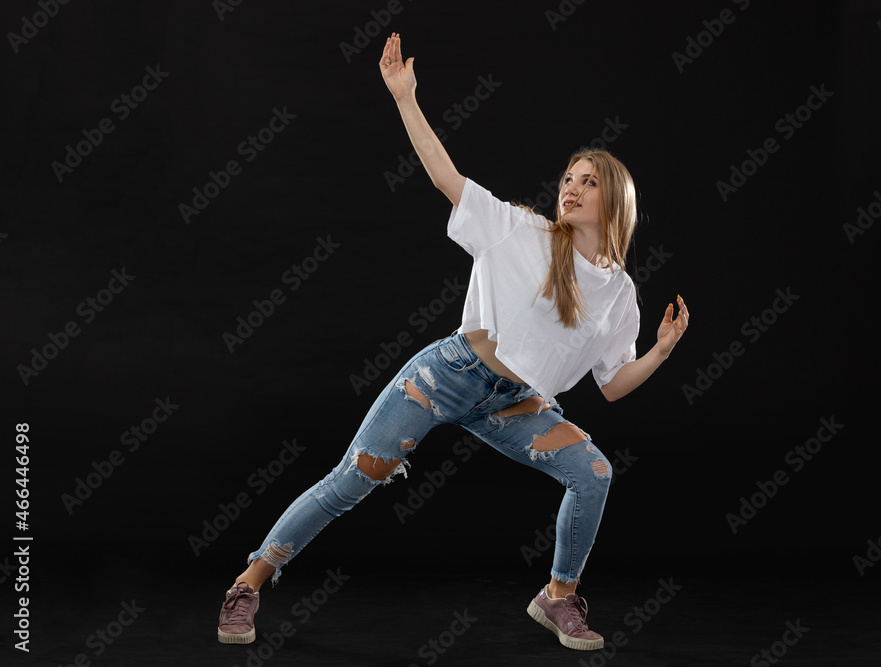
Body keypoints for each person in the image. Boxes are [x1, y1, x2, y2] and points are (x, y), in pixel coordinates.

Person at [217, 32, 690, 652]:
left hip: (515, 404)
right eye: (567, 178)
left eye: (587, 182)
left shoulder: (620, 293)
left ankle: (557, 597)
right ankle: (248, 583)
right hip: (448, 375)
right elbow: (446, 177)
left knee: (594, 472)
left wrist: (659, 351)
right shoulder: (521, 230)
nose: (570, 188)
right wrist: (405, 98)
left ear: (616, 200)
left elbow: (612, 385)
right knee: (350, 480)